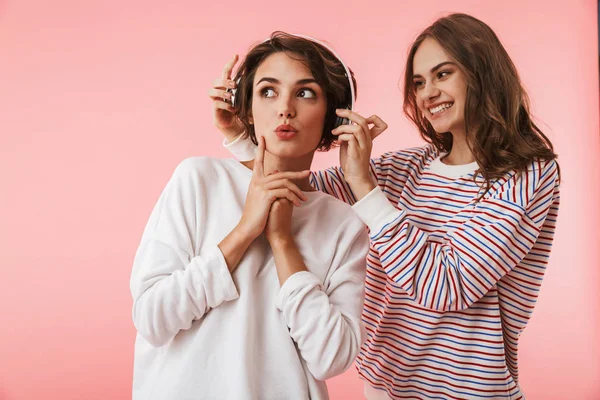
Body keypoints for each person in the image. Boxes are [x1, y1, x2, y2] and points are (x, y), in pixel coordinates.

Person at [216, 14, 561, 400]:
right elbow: (296, 194)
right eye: (418, 82)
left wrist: (364, 185)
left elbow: (448, 285)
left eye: (442, 74)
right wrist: (239, 138)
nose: (428, 92)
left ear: (481, 72)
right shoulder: (410, 166)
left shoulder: (527, 174)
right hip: (382, 387)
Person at [131, 32, 377, 400]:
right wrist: (245, 229)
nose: (285, 108)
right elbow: (153, 318)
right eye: (268, 91)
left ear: (332, 117)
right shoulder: (199, 180)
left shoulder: (344, 224)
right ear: (246, 109)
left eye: (305, 92)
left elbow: (331, 358)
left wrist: (282, 241)